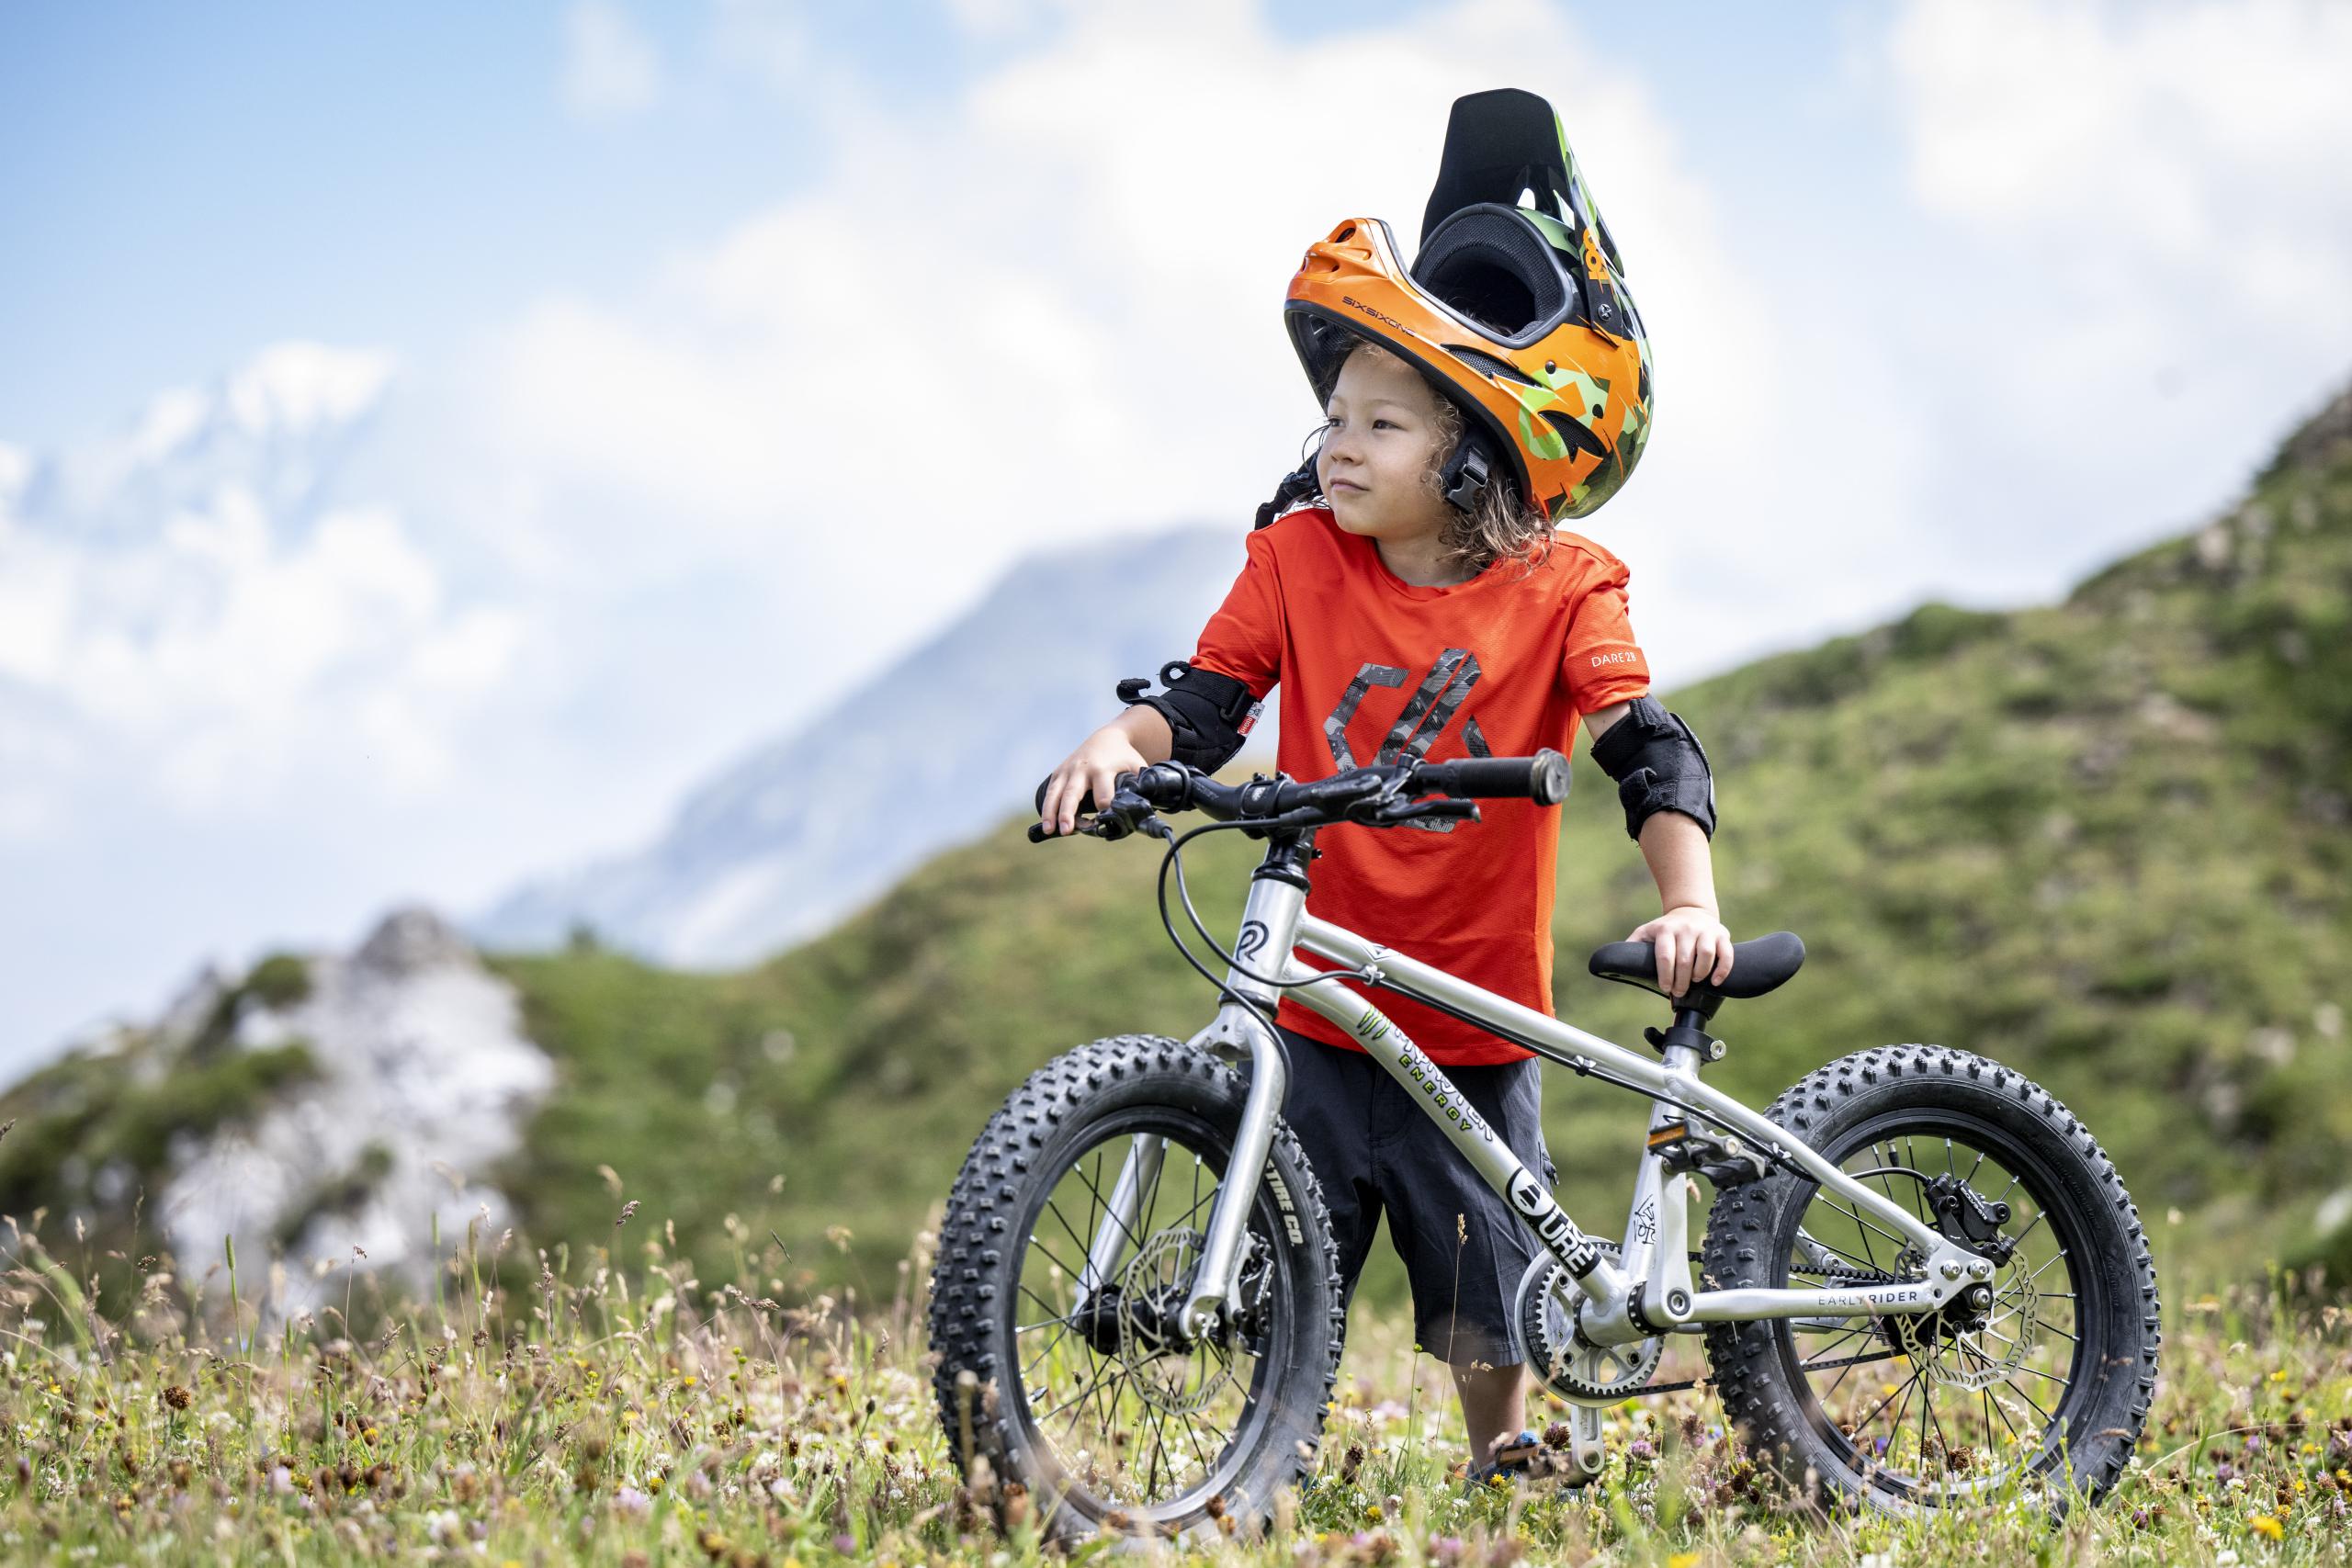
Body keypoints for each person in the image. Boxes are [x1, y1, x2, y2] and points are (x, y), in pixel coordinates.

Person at [1038, 89, 1730, 1488]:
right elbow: (1210, 699)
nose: (1340, 443)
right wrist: (1126, 749)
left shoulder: (1563, 586)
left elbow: (1644, 743)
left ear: (1473, 454)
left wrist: (1689, 902)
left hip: (1471, 1021)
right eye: (1336, 415)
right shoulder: (1296, 559)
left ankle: (1509, 1450)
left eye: (1384, 423)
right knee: (1290, 1244)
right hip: (1314, 1001)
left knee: (1478, 1267)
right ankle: (1253, 1460)